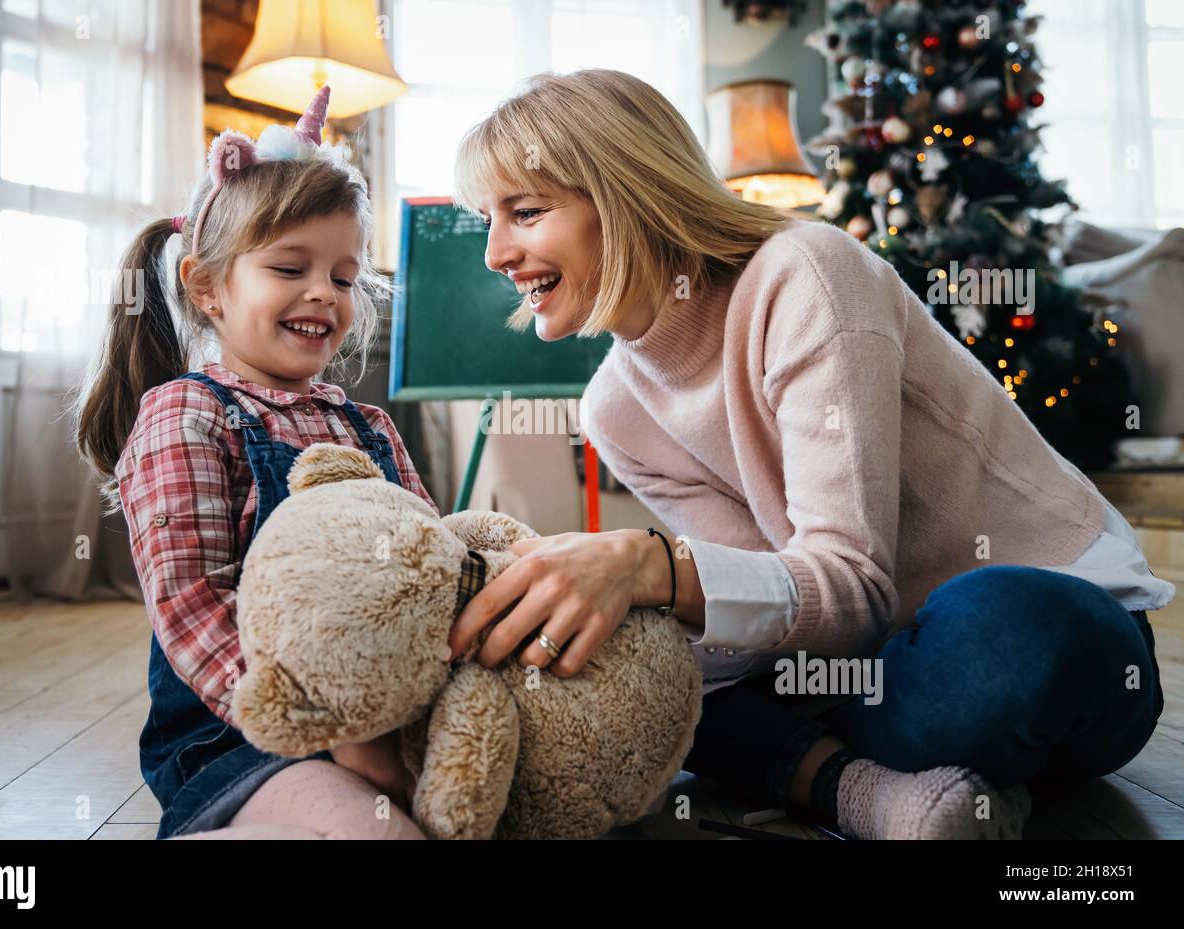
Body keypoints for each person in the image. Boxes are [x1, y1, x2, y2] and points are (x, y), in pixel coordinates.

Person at [447, 69, 1173, 839]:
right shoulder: (616, 407)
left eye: (524, 213)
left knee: (997, 631)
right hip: (870, 663)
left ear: (626, 194)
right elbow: (790, 617)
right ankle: (874, 794)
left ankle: (812, 762)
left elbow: (850, 589)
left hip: (1039, 637)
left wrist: (650, 565)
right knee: (640, 672)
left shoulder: (805, 275)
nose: (495, 252)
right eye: (487, 220)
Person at [74, 87, 425, 839]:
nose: (321, 294)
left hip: (392, 712)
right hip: (240, 739)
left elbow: (433, 562)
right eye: (289, 267)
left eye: (341, 275)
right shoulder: (185, 416)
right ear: (208, 288)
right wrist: (336, 733)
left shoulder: (370, 427)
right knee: (380, 833)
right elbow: (196, 611)